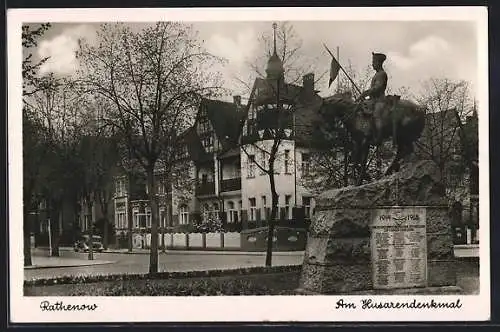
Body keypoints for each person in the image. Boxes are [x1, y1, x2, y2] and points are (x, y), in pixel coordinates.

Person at [356, 52, 388, 145]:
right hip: (372, 100)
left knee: (377, 114)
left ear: (379, 63)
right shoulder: (376, 75)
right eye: (372, 61)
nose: (372, 64)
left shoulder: (382, 74)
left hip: (380, 100)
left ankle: (378, 137)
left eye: (374, 62)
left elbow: (378, 87)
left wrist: (365, 93)